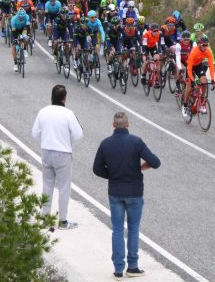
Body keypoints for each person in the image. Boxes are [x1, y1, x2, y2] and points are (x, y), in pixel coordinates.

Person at [93, 112, 161, 280]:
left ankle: (118, 269)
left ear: (113, 125)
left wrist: (113, 175)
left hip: (115, 192)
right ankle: (132, 266)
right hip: (134, 192)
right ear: (128, 124)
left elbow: (97, 169)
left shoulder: (105, 144)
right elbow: (155, 162)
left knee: (117, 230)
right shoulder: (136, 142)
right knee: (133, 229)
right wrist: (141, 168)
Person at [31, 85, 83, 230]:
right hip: (63, 153)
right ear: (64, 97)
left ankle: (45, 218)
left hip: (46, 151)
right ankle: (63, 221)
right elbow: (78, 134)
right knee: (64, 187)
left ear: (52, 96)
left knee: (47, 185)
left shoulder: (43, 112)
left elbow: (35, 133)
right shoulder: (68, 114)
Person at [182, 34, 215, 116]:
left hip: (198, 65)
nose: (205, 46)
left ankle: (202, 102)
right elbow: (189, 68)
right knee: (189, 87)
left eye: (207, 45)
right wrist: (192, 80)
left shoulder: (208, 51)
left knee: (204, 82)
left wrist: (212, 79)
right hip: (190, 66)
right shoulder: (194, 51)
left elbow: (211, 65)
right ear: (199, 44)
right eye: (204, 45)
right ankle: (185, 105)